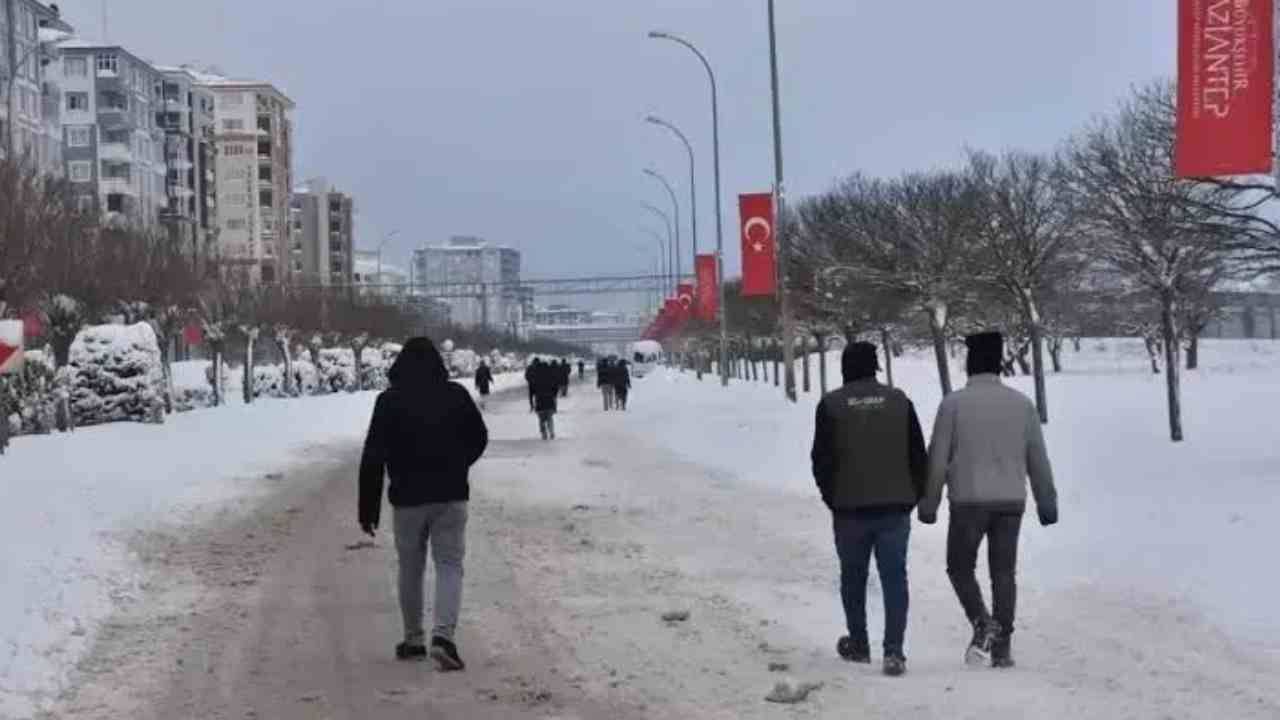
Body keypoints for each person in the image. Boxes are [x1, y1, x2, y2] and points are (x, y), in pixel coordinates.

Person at [918, 331, 1058, 669]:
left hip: (969, 501)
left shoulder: (952, 405)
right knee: (1004, 573)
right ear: (998, 364)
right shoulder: (1022, 405)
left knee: (959, 567)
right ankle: (1002, 648)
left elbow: (937, 460)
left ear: (970, 364)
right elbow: (1038, 458)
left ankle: (982, 622)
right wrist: (1047, 502)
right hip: (1011, 501)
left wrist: (929, 503)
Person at [358, 337, 488, 671]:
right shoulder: (456, 395)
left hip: (407, 499)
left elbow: (372, 456)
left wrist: (368, 509)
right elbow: (479, 437)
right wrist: (458, 464)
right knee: (449, 564)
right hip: (451, 496)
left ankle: (413, 639)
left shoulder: (389, 401)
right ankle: (443, 636)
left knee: (410, 568)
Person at [810, 342, 927, 678]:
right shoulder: (900, 401)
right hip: (894, 508)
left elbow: (821, 460)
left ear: (845, 369)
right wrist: (912, 496)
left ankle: (859, 643)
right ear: (875, 367)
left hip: (849, 509)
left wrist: (833, 498)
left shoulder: (830, 404)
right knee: (894, 578)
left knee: (853, 576)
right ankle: (894, 651)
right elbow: (918, 455)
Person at [531, 359, 561, 439]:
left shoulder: (536, 376)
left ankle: (544, 433)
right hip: (549, 399)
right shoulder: (551, 376)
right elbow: (555, 386)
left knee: (541, 418)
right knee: (549, 417)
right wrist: (554, 394)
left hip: (539, 399)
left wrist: (533, 399)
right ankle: (551, 431)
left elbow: (533, 388)